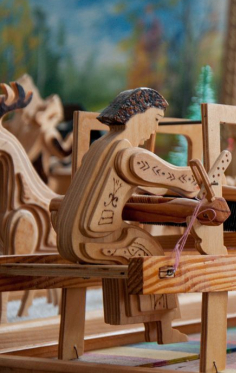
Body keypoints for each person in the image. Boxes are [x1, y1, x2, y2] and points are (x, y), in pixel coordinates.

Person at [56, 87, 210, 344]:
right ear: (139, 115)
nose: (154, 129)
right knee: (152, 256)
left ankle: (153, 326)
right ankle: (162, 329)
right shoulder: (130, 155)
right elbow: (180, 180)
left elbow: (153, 184)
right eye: (155, 119)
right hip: (94, 238)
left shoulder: (101, 145)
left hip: (70, 237)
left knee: (141, 243)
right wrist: (207, 178)